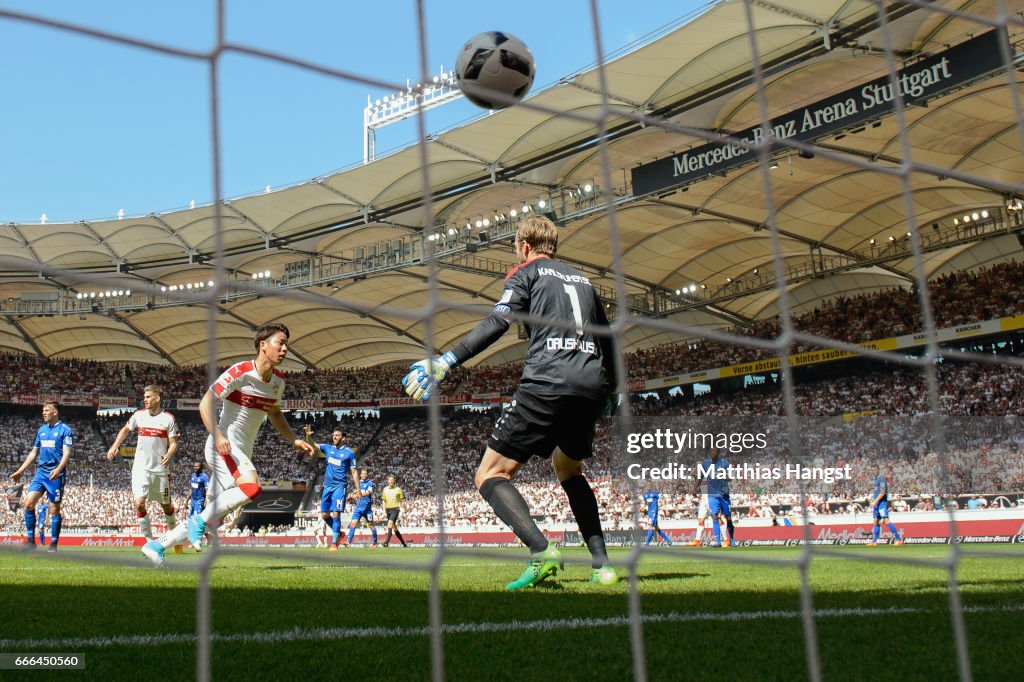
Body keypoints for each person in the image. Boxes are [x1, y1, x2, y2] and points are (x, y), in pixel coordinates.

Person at [402, 215, 619, 589]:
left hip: (548, 379)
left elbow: (499, 321)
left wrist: (447, 361)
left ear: (523, 247)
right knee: (569, 469)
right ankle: (602, 567)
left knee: (489, 474)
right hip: (591, 384)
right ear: (555, 246)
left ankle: (540, 551)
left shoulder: (526, 272)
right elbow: (608, 338)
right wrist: (612, 390)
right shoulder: (584, 281)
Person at [141, 323, 316, 566]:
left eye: (287, 344)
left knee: (214, 516)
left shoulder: (278, 382)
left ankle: (156, 546)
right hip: (222, 446)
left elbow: (275, 413)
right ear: (263, 345)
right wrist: (220, 436)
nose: (285, 349)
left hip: (241, 450)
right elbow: (205, 404)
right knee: (252, 488)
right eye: (280, 343)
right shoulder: (240, 372)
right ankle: (197, 523)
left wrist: (293, 438)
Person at [106, 385, 182, 552]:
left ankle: (175, 539)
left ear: (157, 398)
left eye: (148, 397)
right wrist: (114, 447)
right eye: (144, 397)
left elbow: (174, 443)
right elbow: (125, 430)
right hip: (140, 468)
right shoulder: (138, 415)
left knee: (166, 506)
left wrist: (169, 454)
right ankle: (150, 542)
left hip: (160, 470)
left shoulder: (168, 419)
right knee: (139, 503)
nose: (145, 399)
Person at [8, 401, 73, 551]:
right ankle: (31, 542)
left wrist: (59, 469)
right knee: (28, 504)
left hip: (55, 475)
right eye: (43, 410)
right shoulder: (42, 430)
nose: (43, 413)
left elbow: (67, 453)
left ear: (55, 412)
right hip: (41, 473)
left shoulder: (65, 430)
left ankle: (53, 544)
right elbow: (33, 453)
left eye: (46, 410)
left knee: (54, 510)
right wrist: (21, 470)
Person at [304, 424, 358, 550]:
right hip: (327, 487)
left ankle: (334, 543)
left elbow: (354, 471)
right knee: (324, 515)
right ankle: (338, 533)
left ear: (343, 438)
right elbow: (313, 445)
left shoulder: (349, 453)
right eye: (333, 435)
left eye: (337, 435)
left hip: (339, 487)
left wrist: (358, 489)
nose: (334, 437)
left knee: (336, 514)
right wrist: (308, 436)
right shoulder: (328, 448)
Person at [696, 449, 733, 547]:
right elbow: (699, 477)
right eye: (711, 452)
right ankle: (718, 542)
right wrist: (694, 488)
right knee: (714, 517)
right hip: (712, 496)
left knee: (727, 518)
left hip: (723, 494)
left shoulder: (725, 463)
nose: (712, 454)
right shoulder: (706, 464)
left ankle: (730, 540)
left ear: (718, 453)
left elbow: (730, 478)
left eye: (714, 452)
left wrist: (722, 476)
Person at [867, 465, 904, 546]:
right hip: (877, 503)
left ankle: (899, 539)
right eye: (872, 470)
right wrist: (873, 499)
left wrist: (875, 501)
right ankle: (874, 542)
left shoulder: (881, 479)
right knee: (875, 522)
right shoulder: (876, 479)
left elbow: (883, 492)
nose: (873, 472)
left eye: (875, 470)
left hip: (881, 503)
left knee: (886, 520)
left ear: (878, 470)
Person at [346, 468, 378, 547]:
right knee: (353, 524)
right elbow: (355, 491)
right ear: (360, 474)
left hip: (367, 509)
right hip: (358, 508)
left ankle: (375, 543)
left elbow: (367, 493)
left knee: (371, 525)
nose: (364, 475)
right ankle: (348, 542)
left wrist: (356, 495)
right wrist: (351, 495)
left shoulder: (370, 483)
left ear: (367, 475)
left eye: (365, 474)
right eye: (362, 473)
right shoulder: (358, 483)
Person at [381, 473, 408, 547]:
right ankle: (403, 543)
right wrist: (384, 510)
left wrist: (404, 508)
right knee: (394, 528)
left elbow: (402, 500)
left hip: (395, 509)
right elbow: (384, 501)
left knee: (389, 524)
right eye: (389, 480)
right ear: (388, 481)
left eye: (392, 480)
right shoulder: (385, 489)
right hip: (388, 510)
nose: (391, 481)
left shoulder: (398, 489)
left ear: (394, 481)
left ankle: (386, 542)